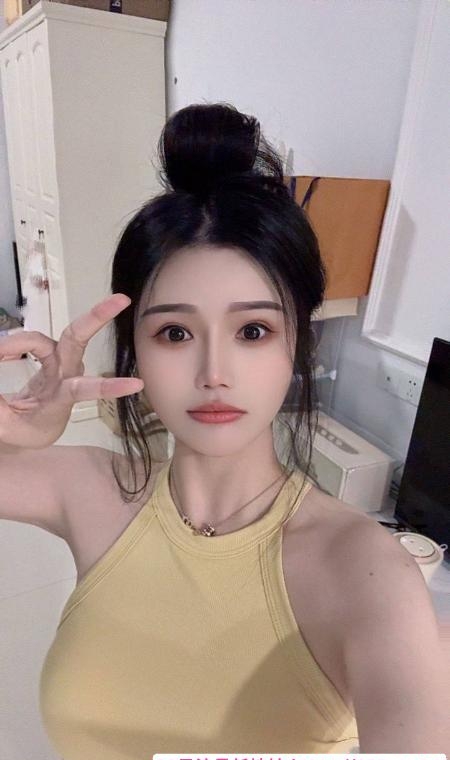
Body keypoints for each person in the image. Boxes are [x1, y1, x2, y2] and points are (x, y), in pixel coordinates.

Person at [0, 103, 448, 758]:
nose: (214, 373)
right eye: (175, 333)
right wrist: (14, 424)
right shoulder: (89, 489)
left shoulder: (365, 571)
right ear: (134, 350)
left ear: (297, 345)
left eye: (253, 330)